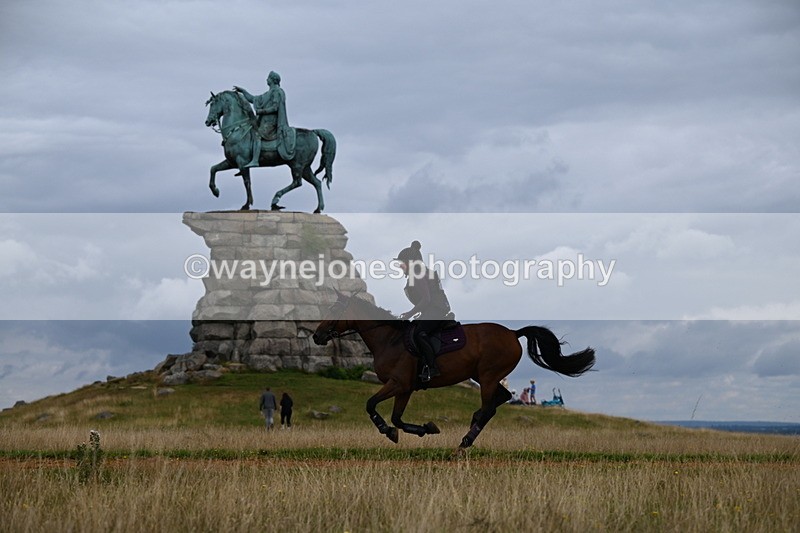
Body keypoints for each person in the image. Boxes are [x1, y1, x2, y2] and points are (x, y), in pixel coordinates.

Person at [395, 240, 454, 382]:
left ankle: (432, 368)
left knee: (419, 334)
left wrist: (409, 314)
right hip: (433, 310)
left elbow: (426, 300)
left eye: (402, 262)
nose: (400, 266)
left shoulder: (418, 275)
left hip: (436, 311)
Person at [233, 71, 296, 167]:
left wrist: (261, 111)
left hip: (271, 123)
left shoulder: (277, 92)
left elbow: (275, 108)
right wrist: (243, 91)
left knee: (257, 134)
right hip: (264, 122)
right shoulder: (268, 93)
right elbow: (253, 99)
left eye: (268, 78)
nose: (266, 79)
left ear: (273, 80)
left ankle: (255, 160)